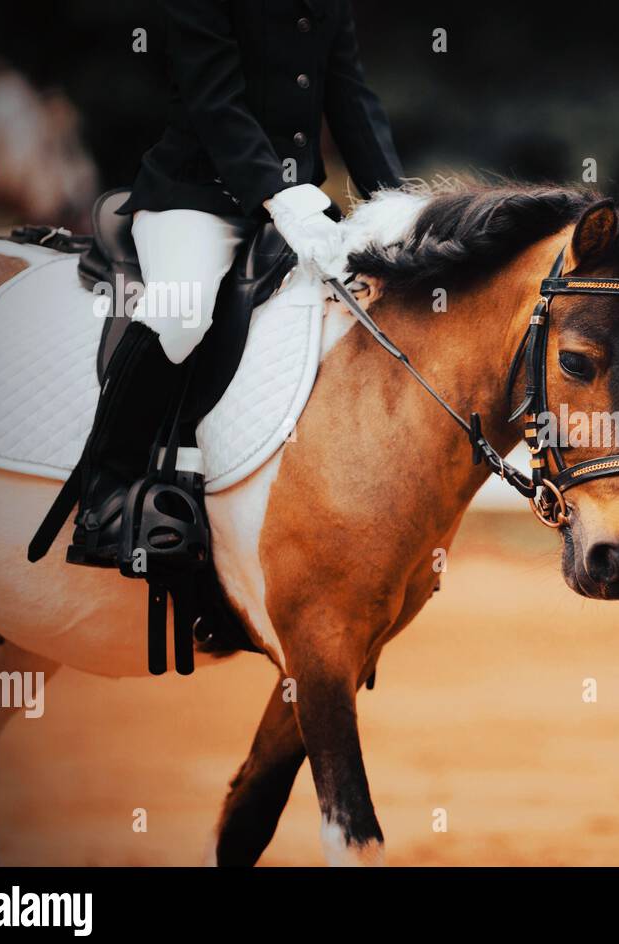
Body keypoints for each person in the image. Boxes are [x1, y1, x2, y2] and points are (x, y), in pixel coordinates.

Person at [61, 0, 402, 567]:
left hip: (296, 207)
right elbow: (214, 99)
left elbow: (351, 101)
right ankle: (106, 493)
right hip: (197, 198)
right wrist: (273, 192)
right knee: (183, 312)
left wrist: (399, 207)